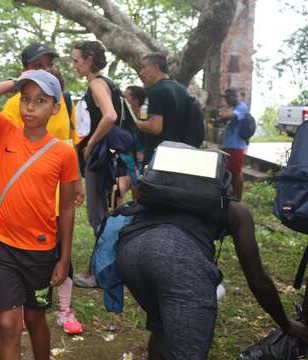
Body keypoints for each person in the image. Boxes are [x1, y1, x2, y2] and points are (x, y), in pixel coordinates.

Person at [0, 70, 79, 360]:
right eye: (25, 99)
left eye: (40, 100)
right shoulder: (6, 131)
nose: (30, 106)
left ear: (55, 107)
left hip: (40, 254)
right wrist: (14, 83)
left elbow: (67, 209)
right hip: (1, 248)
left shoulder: (63, 154)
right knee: (7, 324)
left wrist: (64, 259)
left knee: (34, 318)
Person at [116, 201, 308, 359]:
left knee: (162, 326)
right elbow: (258, 280)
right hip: (177, 261)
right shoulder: (236, 210)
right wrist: (286, 324)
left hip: (129, 252)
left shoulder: (162, 196)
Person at [3, 43, 85, 335]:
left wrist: (77, 181)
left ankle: (65, 309)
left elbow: (71, 140)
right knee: (31, 256)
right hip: (31, 193)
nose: (46, 68)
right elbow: (9, 149)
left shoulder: (63, 99)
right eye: (39, 64)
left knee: (63, 250)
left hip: (60, 184)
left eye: (49, 63)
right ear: (25, 68)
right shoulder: (16, 104)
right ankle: (27, 305)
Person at [69, 41, 118, 289]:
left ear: (89, 59)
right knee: (104, 214)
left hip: (100, 159)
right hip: (108, 159)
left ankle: (98, 273)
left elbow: (110, 115)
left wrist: (90, 145)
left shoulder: (97, 84)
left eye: (76, 60)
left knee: (98, 216)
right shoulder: (107, 83)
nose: (74, 65)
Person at [136, 53, 193, 163]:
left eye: (144, 67)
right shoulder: (182, 90)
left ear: (156, 67)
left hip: (159, 157)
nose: (141, 73)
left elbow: (155, 127)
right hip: (181, 154)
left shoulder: (156, 91)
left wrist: (136, 123)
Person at [218, 87, 249, 200]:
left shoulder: (241, 107)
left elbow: (232, 116)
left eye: (227, 98)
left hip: (236, 147)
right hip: (228, 146)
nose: (226, 100)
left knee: (236, 172)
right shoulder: (234, 108)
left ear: (233, 97)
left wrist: (220, 119)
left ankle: (238, 197)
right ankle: (232, 193)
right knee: (229, 171)